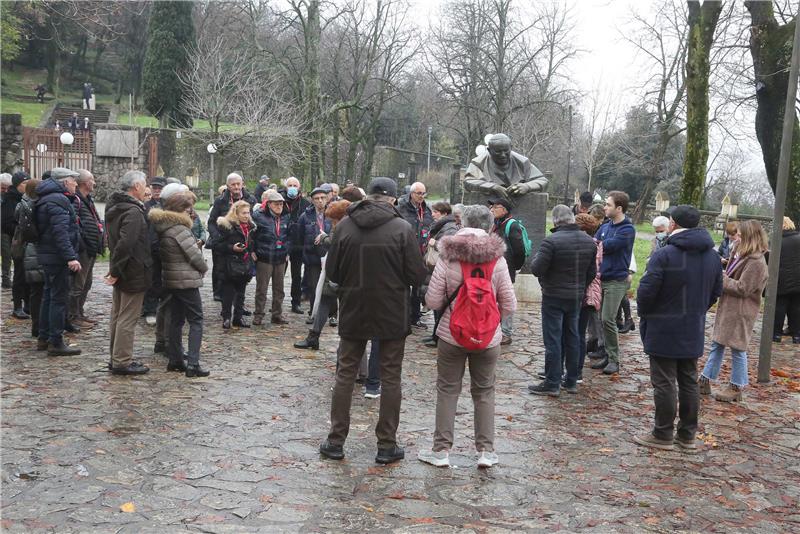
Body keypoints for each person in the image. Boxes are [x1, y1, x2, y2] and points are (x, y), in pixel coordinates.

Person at [319, 177, 427, 464]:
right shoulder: (402, 229)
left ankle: (335, 440)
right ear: (392, 198)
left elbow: (333, 271)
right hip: (391, 309)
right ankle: (386, 444)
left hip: (354, 306)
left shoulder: (345, 226)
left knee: (345, 373)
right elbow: (416, 275)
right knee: (390, 376)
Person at [418, 205, 517, 468]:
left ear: (462, 223)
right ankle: (486, 451)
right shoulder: (498, 259)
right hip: (488, 338)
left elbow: (433, 301)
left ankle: (440, 452)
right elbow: (509, 303)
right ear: (489, 227)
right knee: (484, 392)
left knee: (447, 391)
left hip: (452, 334)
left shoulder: (448, 256)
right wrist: (491, 320)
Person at [634, 205, 723, 452]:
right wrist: (697, 309)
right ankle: (687, 435)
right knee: (688, 381)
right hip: (692, 325)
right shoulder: (713, 257)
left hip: (663, 325)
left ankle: (662, 433)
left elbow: (646, 290)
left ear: (673, 223)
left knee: (664, 381)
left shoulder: (665, 254)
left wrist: (646, 313)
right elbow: (716, 290)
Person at [528, 205, 597, 396]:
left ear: (556, 221)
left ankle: (552, 382)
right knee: (573, 336)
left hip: (553, 296)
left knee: (553, 339)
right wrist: (580, 287)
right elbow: (592, 272)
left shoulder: (551, 241)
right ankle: (572, 380)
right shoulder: (589, 241)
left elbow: (536, 269)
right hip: (575, 296)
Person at [699, 220, 769, 402]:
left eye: (740, 234)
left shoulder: (757, 262)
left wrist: (722, 278)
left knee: (738, 348)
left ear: (749, 236)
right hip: (729, 307)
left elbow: (743, 288)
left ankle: (736, 386)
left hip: (740, 311)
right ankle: (705, 380)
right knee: (718, 343)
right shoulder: (741, 253)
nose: (737, 236)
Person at [149, 192, 210, 377]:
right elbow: (194, 256)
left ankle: (175, 360)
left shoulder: (164, 227)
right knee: (196, 320)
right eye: (188, 209)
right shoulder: (180, 230)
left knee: (176, 320)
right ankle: (193, 363)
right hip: (186, 281)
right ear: (181, 210)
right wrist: (204, 267)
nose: (191, 212)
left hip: (171, 279)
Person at [105, 170, 152, 375]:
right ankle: (122, 361)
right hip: (132, 270)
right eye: (144, 185)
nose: (147, 189)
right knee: (127, 317)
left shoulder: (117, 207)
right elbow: (126, 244)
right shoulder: (133, 212)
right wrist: (115, 270)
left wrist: (114, 269)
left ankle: (116, 357)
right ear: (136, 187)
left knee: (118, 315)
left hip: (124, 268)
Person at [34, 168, 83, 356]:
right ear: (64, 182)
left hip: (49, 256)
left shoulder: (47, 197)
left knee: (49, 296)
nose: (75, 184)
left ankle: (44, 337)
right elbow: (60, 233)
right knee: (58, 299)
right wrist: (70, 257)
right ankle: (55, 341)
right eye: (73, 180)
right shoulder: (58, 200)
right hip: (56, 258)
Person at [294, 199, 351, 349]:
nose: (331, 222)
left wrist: (325, 238)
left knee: (344, 306)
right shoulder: (342, 225)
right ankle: (314, 336)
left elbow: (336, 242)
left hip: (344, 272)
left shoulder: (346, 226)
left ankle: (347, 343)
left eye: (333, 220)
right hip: (333, 269)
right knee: (325, 300)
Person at [592, 191, 636, 375]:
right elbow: (596, 242)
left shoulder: (627, 230)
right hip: (602, 278)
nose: (604, 207)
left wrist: (599, 243)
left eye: (608, 205)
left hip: (616, 281)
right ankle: (607, 354)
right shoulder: (605, 226)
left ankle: (614, 360)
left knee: (608, 318)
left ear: (619, 208)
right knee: (601, 319)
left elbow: (605, 245)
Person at [207, 173, 257, 302]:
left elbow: (253, 221)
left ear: (242, 184)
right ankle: (218, 293)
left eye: (238, 184)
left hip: (242, 239)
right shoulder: (220, 200)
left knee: (241, 269)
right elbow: (211, 221)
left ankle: (238, 298)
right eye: (233, 184)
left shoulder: (250, 199)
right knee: (220, 267)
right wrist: (215, 236)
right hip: (223, 240)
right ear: (228, 185)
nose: (236, 187)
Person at [488, 197, 526, 345]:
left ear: (504, 210)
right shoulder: (495, 224)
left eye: (495, 207)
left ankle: (506, 332)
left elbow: (519, 251)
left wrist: (514, 267)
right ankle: (496, 329)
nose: (491, 210)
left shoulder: (511, 225)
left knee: (506, 300)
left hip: (507, 269)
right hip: (496, 269)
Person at [421, 201, 460, 348]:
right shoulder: (442, 225)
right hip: (435, 268)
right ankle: (435, 334)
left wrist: (434, 244)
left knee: (441, 305)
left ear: (443, 213)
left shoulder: (449, 227)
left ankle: (438, 337)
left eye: (435, 212)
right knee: (437, 303)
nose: (432, 214)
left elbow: (449, 247)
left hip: (441, 267)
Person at [463, 133, 548, 198]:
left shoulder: (522, 162)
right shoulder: (478, 163)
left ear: (511, 147)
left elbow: (543, 181)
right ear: (489, 150)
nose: (503, 155)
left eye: (506, 151)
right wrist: (492, 187)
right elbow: (468, 182)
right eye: (498, 151)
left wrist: (527, 186)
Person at [69, 169, 104, 327]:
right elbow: (75, 224)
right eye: (92, 179)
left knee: (87, 283)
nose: (94, 183)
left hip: (90, 248)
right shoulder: (76, 199)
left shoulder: (87, 199)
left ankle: (80, 312)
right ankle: (72, 316)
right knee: (78, 284)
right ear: (84, 182)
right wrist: (83, 243)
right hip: (83, 249)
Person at [251, 190, 291, 326]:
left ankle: (276, 314)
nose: (279, 206)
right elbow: (251, 236)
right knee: (261, 288)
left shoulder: (286, 217)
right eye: (276, 204)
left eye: (281, 203)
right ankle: (258, 315)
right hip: (264, 257)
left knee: (279, 289)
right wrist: (252, 251)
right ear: (269, 204)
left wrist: (287, 251)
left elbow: (289, 236)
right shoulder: (258, 216)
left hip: (280, 258)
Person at [214, 200, 255, 329]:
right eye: (243, 213)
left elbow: (252, 244)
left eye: (248, 213)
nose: (246, 215)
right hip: (229, 265)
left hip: (244, 263)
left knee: (241, 293)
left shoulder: (250, 227)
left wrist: (251, 251)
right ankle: (226, 318)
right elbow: (216, 245)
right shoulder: (226, 226)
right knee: (228, 293)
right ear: (236, 213)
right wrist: (232, 248)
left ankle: (238, 317)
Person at [397, 181, 433, 329]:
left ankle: (415, 317)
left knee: (418, 286)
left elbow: (430, 225)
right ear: (411, 193)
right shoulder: (401, 209)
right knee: (403, 286)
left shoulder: (427, 210)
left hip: (421, 253)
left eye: (423, 193)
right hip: (404, 253)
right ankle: (402, 316)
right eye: (419, 193)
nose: (421, 196)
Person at [575, 213, 603, 380]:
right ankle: (573, 370)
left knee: (576, 333)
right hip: (587, 295)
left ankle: (575, 371)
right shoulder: (598, 245)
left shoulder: (589, 246)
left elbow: (592, 272)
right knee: (578, 333)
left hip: (583, 294)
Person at [297, 186, 332, 323]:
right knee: (314, 286)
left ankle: (332, 314)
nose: (320, 201)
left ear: (327, 198)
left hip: (330, 255)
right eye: (317, 199)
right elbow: (300, 237)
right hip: (312, 257)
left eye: (323, 198)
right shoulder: (305, 216)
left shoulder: (333, 213)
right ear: (312, 200)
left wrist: (327, 237)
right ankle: (314, 312)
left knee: (330, 286)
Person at [279, 176, 311, 314]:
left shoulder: (305, 203)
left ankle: (295, 302)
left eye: (295, 185)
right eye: (290, 185)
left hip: (298, 244)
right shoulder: (280, 201)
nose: (292, 187)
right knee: (279, 275)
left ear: (299, 187)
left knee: (296, 275)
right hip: (283, 243)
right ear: (286, 187)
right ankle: (277, 302)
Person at [17, 179, 44, 338]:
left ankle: (36, 325)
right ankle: (38, 326)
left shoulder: (23, 204)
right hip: (36, 249)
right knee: (39, 290)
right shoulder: (35, 206)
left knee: (35, 291)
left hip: (29, 249)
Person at [141, 176, 168, 324]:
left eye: (160, 188)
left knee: (166, 280)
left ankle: (163, 308)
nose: (157, 190)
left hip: (165, 249)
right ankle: (149, 310)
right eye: (155, 188)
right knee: (152, 280)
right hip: (150, 250)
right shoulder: (145, 206)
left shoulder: (169, 206)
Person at [6, 171, 31, 318]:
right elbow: (7, 223)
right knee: (19, 275)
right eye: (24, 183)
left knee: (28, 275)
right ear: (17, 185)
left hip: (27, 241)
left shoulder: (27, 198)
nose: (27, 185)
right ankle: (17, 306)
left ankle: (28, 304)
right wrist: (20, 230)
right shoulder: (10, 199)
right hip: (18, 241)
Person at [774, 216, 800, 343]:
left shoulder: (777, 241)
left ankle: (776, 334)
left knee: (779, 306)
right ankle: (797, 335)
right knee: (796, 308)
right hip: (798, 280)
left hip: (781, 280)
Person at [1, 172, 16, 289]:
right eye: (2, 188)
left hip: (6, 229)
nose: (5, 190)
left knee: (7, 254)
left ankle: (6, 279)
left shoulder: (11, 196)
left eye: (7, 188)